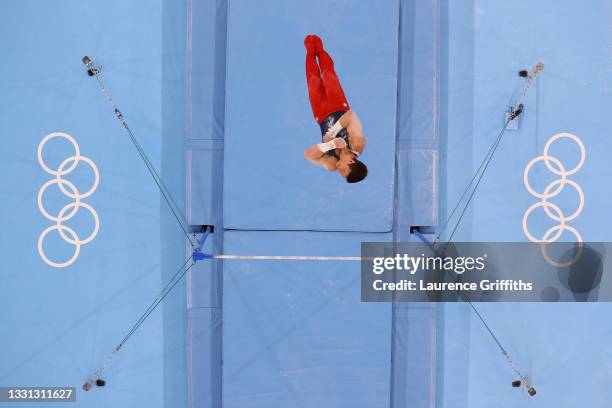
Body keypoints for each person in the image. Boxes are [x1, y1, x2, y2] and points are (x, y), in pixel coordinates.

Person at [302, 34, 368, 183]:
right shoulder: (357, 144)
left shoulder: (332, 163)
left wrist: (330, 144)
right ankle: (319, 49)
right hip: (338, 105)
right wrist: (332, 134)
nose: (339, 171)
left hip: (320, 114)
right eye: (344, 171)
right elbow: (350, 116)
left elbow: (309, 154)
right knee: (328, 74)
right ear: (351, 162)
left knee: (312, 79)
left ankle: (309, 51)